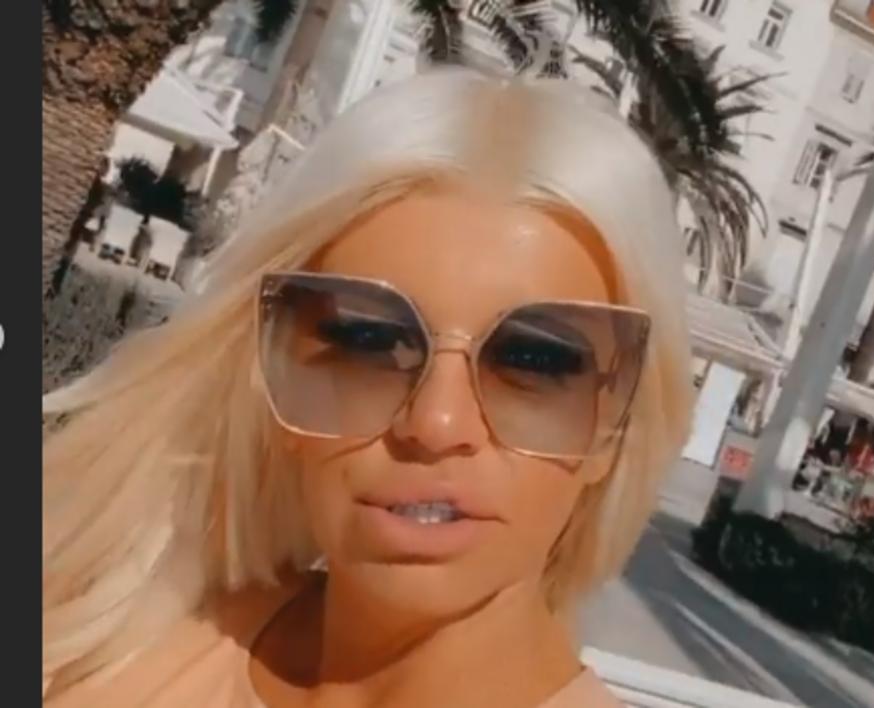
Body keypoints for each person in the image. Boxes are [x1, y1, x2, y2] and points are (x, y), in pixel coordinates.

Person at [42, 69, 694, 708]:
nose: (435, 425)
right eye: (368, 342)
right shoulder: (108, 649)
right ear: (273, 367)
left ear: (617, 421)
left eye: (531, 359)